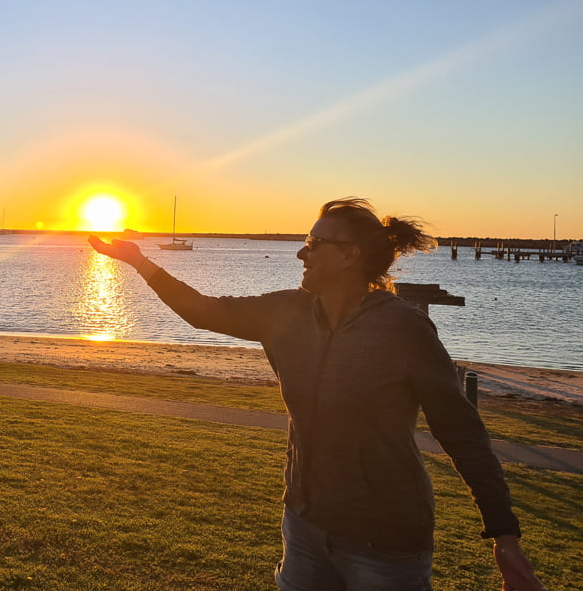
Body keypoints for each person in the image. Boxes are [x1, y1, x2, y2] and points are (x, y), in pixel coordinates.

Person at [89, 197, 545, 591]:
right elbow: (203, 312)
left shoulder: (403, 328)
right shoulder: (285, 313)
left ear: (349, 256)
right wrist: (140, 261)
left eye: (314, 243)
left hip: (384, 539)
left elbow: (460, 430)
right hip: (305, 523)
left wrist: (504, 536)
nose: (301, 253)